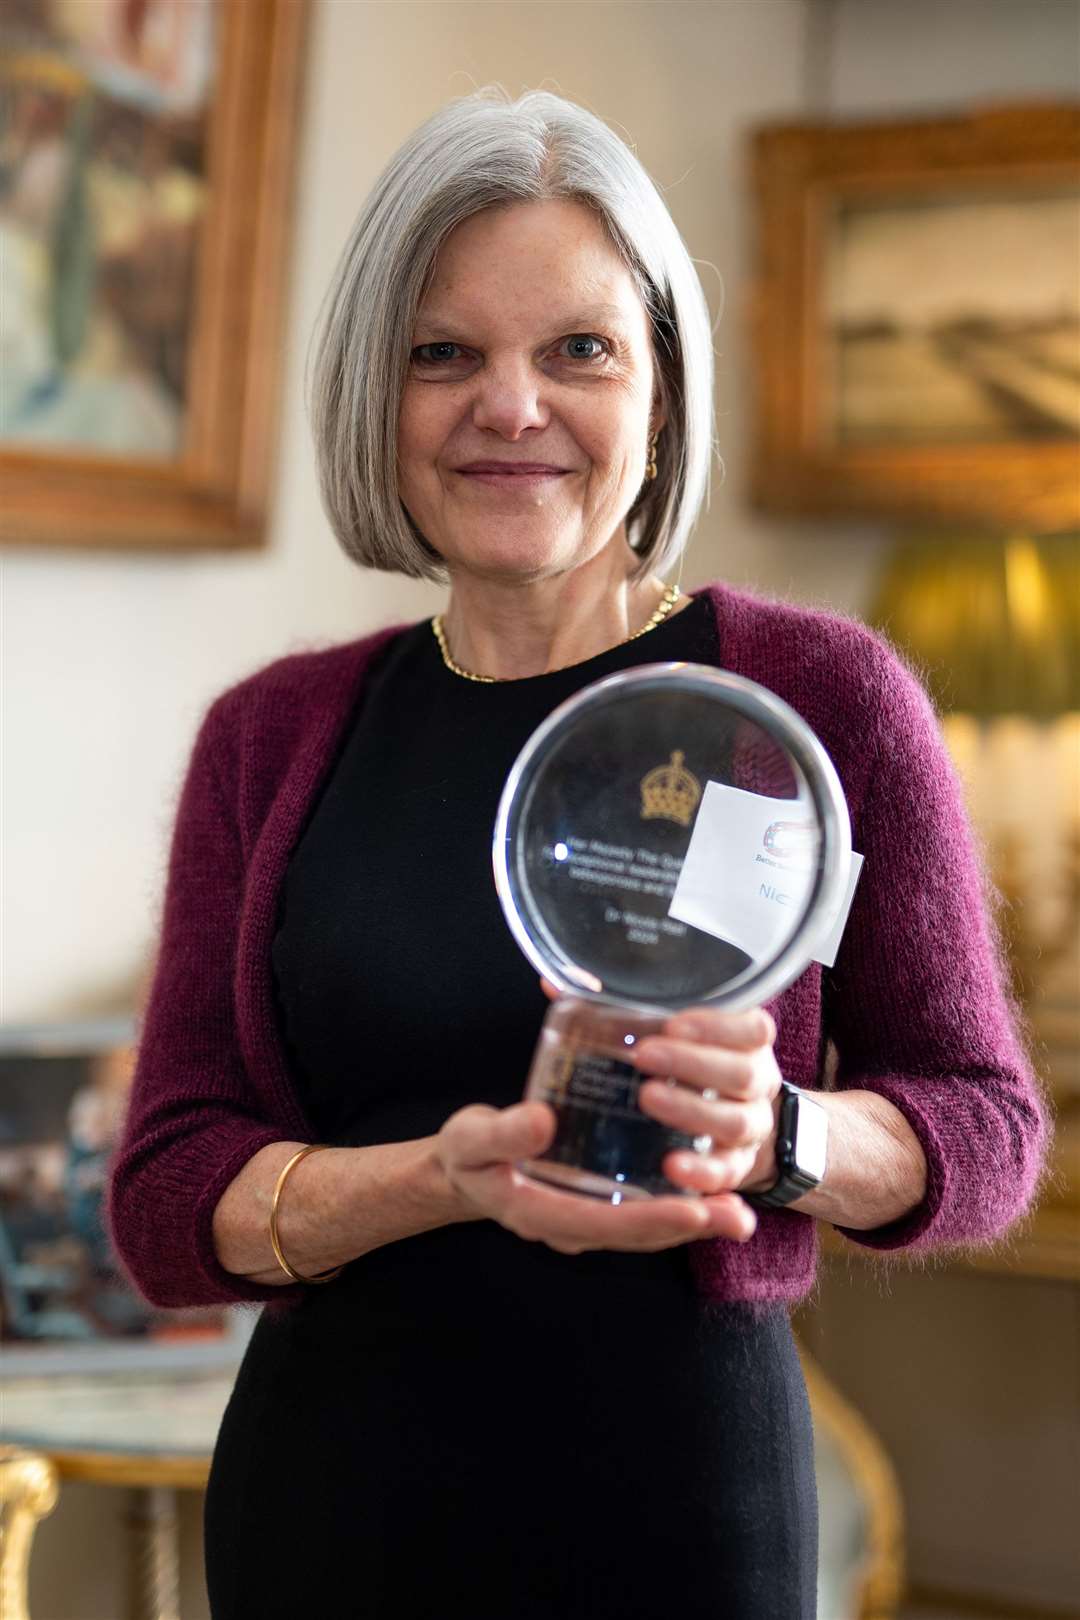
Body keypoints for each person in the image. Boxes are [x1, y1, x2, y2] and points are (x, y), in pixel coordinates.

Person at [105, 90, 1048, 1620]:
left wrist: (782, 1137)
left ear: (662, 387)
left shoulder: (812, 701)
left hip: (679, 1503)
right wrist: (441, 1180)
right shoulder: (267, 738)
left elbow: (984, 1129)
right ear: (375, 394)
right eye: (443, 353)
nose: (512, 406)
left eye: (580, 349)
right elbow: (165, 1199)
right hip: (328, 1507)